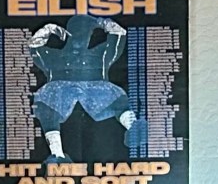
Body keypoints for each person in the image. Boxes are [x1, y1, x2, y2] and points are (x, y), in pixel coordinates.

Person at [28, 14, 147, 163]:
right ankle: (57, 155)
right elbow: (34, 47)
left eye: (86, 33)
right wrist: (48, 29)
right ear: (68, 33)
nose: (81, 37)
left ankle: (134, 127)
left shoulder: (100, 55)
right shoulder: (53, 57)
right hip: (59, 92)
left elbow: (119, 34)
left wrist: (102, 22)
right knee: (45, 102)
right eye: (77, 33)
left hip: (96, 90)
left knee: (115, 95)